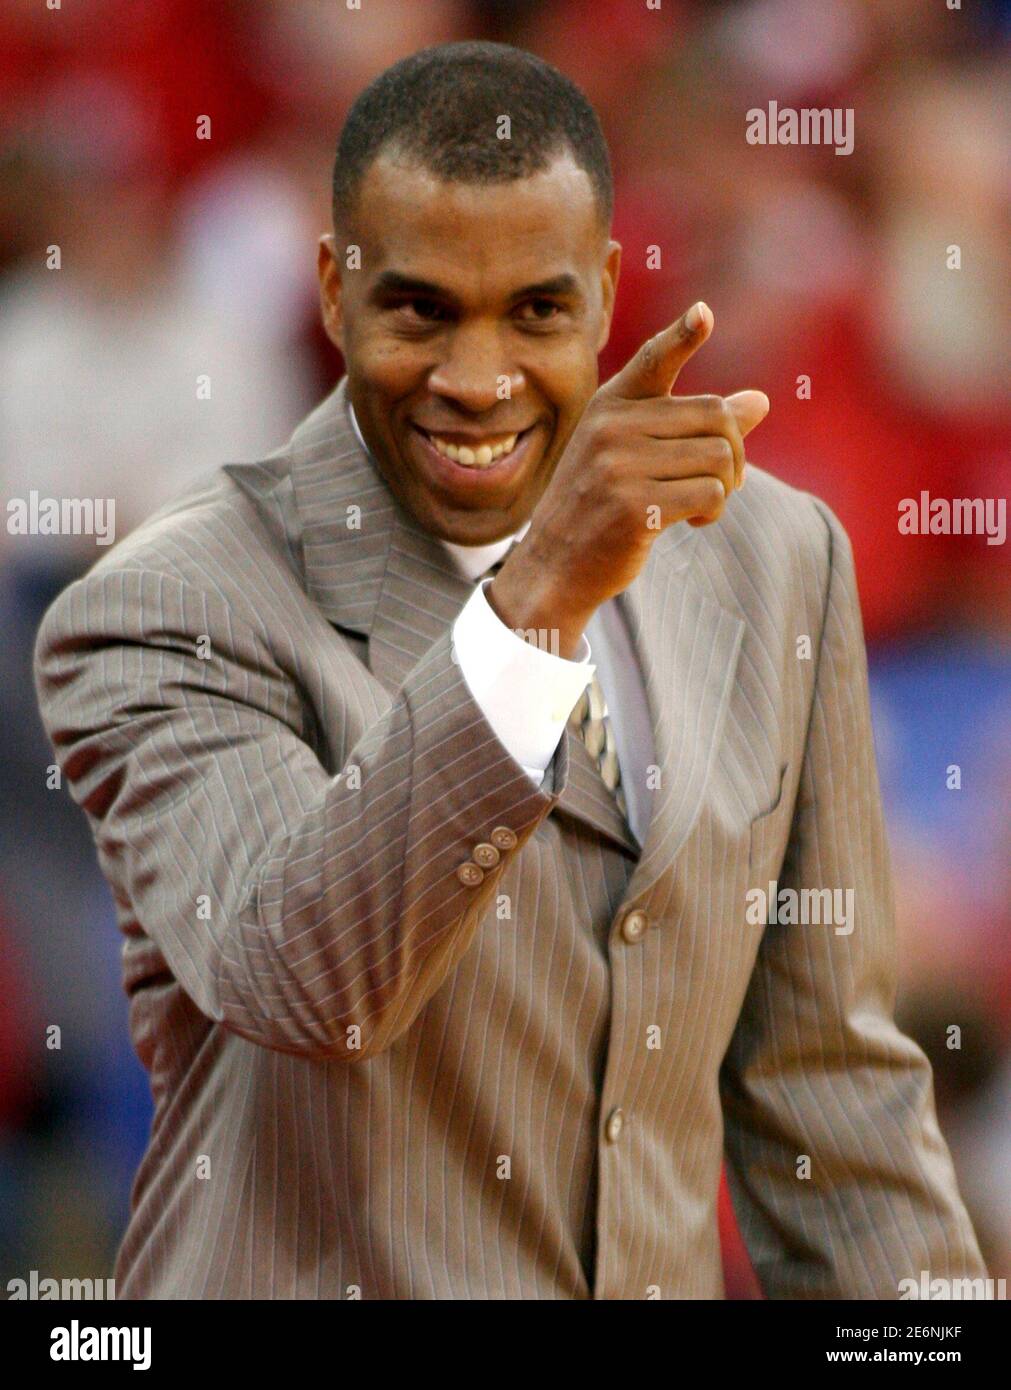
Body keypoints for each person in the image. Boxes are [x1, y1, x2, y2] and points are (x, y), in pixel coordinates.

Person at [33, 40, 987, 1300]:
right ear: (333, 290)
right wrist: (537, 601)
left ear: (602, 293)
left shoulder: (776, 558)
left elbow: (834, 1088)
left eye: (535, 310)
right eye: (421, 308)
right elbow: (303, 980)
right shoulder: (167, 606)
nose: (476, 381)